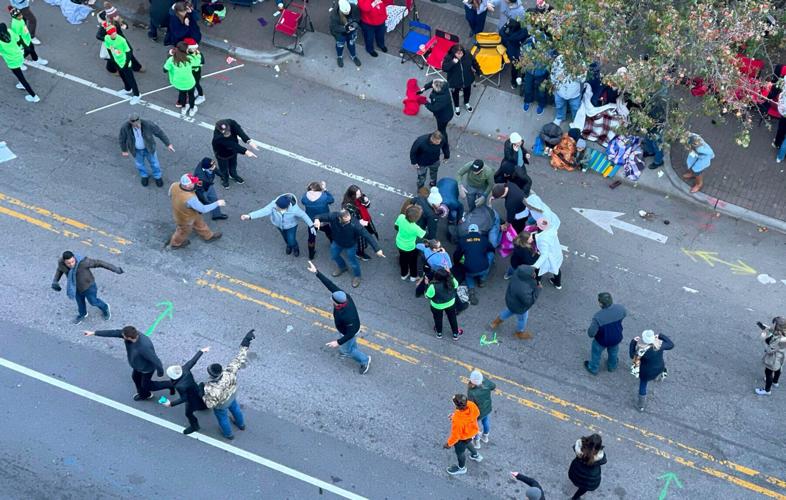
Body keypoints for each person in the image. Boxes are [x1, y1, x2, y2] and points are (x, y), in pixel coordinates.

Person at [307, 260, 370, 374]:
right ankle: (348, 348)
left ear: (337, 303)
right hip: (346, 329)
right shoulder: (344, 296)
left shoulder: (347, 315)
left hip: (350, 331)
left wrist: (338, 342)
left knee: (349, 348)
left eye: (332, 299)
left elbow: (350, 333)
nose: (330, 298)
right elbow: (330, 285)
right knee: (350, 344)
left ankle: (364, 360)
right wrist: (317, 272)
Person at [83, 326, 171, 400]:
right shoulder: (131, 334)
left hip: (146, 369)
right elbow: (113, 333)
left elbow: (156, 361)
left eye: (123, 336)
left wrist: (160, 372)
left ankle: (170, 384)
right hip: (137, 365)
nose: (121, 336)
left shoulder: (144, 347)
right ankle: (144, 395)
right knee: (135, 378)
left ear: (129, 337)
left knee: (147, 386)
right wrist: (94, 333)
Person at [203, 330, 255, 439]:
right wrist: (246, 341)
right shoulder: (229, 372)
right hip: (232, 395)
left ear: (211, 375)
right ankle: (241, 425)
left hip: (222, 404)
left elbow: (209, 404)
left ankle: (229, 434)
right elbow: (240, 358)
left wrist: (203, 394)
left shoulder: (210, 388)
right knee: (236, 409)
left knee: (223, 418)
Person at [313, 209, 384, 288]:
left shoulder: (355, 225)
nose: (349, 222)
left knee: (353, 262)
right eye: (346, 220)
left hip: (350, 245)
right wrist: (317, 220)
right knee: (334, 255)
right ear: (339, 218)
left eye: (349, 219)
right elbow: (319, 216)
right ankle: (342, 267)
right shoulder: (333, 216)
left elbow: (367, 235)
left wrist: (377, 249)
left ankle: (357, 276)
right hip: (337, 242)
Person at [52, 251, 123, 324]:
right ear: (64, 262)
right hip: (75, 286)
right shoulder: (61, 263)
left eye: (72, 262)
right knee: (80, 302)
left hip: (89, 287)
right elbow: (60, 270)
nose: (71, 264)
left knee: (93, 302)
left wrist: (115, 269)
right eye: (68, 263)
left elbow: (99, 263)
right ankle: (83, 314)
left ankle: (105, 307)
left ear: (74, 258)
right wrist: (55, 281)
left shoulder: (83, 262)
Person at [241, 194, 314, 257]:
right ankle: (289, 245)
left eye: (278, 208)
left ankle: (295, 247)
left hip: (291, 226)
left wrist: (311, 225)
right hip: (279, 225)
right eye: (276, 206)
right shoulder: (274, 205)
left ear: (286, 207)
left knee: (291, 239)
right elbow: (263, 211)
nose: (276, 208)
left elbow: (304, 215)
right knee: (285, 237)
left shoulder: (295, 209)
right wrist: (249, 216)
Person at [161, 346, 210, 434]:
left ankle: (195, 426)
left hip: (191, 398)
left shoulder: (180, 386)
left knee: (188, 413)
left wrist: (171, 404)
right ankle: (205, 406)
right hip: (196, 389)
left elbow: (184, 398)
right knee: (200, 399)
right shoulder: (185, 369)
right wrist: (201, 351)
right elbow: (192, 361)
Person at [167, 174, 224, 249]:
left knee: (200, 223)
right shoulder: (190, 198)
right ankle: (175, 243)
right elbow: (203, 209)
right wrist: (217, 203)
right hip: (185, 219)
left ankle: (208, 236)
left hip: (189, 213)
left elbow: (169, 194)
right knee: (182, 232)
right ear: (187, 186)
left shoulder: (174, 185)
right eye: (193, 182)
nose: (195, 183)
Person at [119, 113, 174, 187]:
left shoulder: (148, 124)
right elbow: (122, 139)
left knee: (155, 164)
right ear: (130, 122)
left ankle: (157, 176)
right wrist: (124, 150)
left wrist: (168, 144)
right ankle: (144, 176)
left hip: (149, 148)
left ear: (139, 119)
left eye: (137, 122)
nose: (136, 124)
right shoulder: (125, 127)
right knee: (140, 164)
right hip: (136, 150)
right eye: (134, 123)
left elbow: (159, 133)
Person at [524, 193, 563, 289]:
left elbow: (544, 254)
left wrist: (534, 266)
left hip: (548, 256)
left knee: (539, 271)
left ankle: (537, 283)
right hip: (556, 253)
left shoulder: (542, 239)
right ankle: (558, 284)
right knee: (556, 269)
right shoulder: (551, 231)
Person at [488, 265, 539, 339]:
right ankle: (519, 333)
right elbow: (529, 301)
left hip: (511, 301)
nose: (534, 274)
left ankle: (495, 322)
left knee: (509, 311)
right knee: (522, 319)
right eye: (533, 273)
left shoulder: (516, 276)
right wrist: (538, 290)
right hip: (520, 307)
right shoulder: (524, 288)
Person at [630, 329, 674, 411]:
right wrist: (660, 335)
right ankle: (659, 378)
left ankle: (641, 405)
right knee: (658, 371)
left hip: (646, 372)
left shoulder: (641, 351)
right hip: (659, 367)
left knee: (643, 385)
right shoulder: (660, 345)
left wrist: (633, 342)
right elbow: (671, 344)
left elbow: (632, 356)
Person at [585, 292, 626, 375]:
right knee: (613, 353)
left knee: (596, 353)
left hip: (602, 340)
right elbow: (624, 315)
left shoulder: (598, 317)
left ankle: (593, 368)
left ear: (601, 304)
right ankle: (612, 366)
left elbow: (591, 333)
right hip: (616, 338)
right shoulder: (620, 308)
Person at [454, 223, 494, 305]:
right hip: (483, 267)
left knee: (468, 276)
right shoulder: (484, 239)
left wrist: (457, 263)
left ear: (468, 231)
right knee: (490, 254)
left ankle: (471, 290)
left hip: (470, 269)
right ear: (478, 231)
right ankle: (482, 280)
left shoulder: (462, 240)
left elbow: (457, 254)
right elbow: (491, 248)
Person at [211, 119, 259, 188]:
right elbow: (233, 145)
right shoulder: (218, 138)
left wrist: (249, 141)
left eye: (228, 131)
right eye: (224, 132)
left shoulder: (231, 123)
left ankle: (233, 175)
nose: (227, 133)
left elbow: (239, 131)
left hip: (233, 152)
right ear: (220, 131)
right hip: (222, 154)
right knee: (224, 169)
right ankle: (225, 180)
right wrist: (246, 151)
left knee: (233, 165)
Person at [444, 393, 483, 476]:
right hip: (472, 432)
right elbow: (477, 413)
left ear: (457, 406)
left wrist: (448, 444)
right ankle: (475, 455)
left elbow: (455, 436)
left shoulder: (458, 421)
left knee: (460, 453)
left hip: (462, 438)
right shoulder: (471, 405)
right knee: (468, 443)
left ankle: (461, 468)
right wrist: (455, 415)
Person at [0, 22, 38, 101]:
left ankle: (34, 96)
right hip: (20, 55)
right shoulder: (10, 31)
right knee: (20, 75)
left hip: (12, 62)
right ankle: (21, 84)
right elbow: (19, 39)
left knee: (21, 78)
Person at [104, 25, 141, 105]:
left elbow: (128, 52)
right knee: (123, 76)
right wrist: (113, 59)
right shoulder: (107, 38)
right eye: (112, 33)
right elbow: (109, 48)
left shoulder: (121, 40)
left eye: (115, 32)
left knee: (131, 79)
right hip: (117, 62)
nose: (114, 34)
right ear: (109, 35)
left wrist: (126, 63)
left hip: (125, 63)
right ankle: (128, 89)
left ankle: (137, 95)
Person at [342, 185, 379, 261]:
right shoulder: (347, 206)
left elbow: (367, 206)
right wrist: (359, 222)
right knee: (360, 240)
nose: (360, 195)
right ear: (352, 195)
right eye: (358, 194)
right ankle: (359, 253)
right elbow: (347, 220)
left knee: (367, 234)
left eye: (360, 193)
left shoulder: (360, 196)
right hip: (358, 226)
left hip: (366, 220)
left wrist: (366, 201)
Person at [424, 268, 463, 340]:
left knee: (438, 319)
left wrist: (426, 285)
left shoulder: (433, 286)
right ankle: (455, 334)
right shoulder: (451, 281)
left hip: (437, 306)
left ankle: (439, 333)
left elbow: (427, 296)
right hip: (450, 303)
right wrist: (450, 274)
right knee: (452, 318)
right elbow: (456, 285)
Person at [419, 79, 454, 158]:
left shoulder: (442, 99)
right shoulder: (442, 85)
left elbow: (434, 108)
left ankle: (445, 147)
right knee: (441, 129)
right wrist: (424, 89)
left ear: (437, 89)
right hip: (446, 113)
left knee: (442, 131)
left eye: (433, 87)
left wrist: (425, 102)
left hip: (443, 117)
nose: (432, 87)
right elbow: (432, 82)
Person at [442, 44, 480, 115]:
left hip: (467, 78)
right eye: (458, 54)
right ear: (454, 53)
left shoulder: (468, 55)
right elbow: (444, 68)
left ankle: (466, 102)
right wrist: (452, 62)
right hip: (454, 81)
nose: (460, 55)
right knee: (455, 94)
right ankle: (457, 106)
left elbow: (474, 63)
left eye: (461, 53)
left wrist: (478, 71)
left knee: (467, 92)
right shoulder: (448, 57)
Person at [163, 41, 197, 117]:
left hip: (178, 83)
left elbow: (165, 70)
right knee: (191, 95)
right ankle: (192, 109)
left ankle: (184, 108)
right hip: (189, 82)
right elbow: (197, 63)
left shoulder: (171, 59)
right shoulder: (189, 59)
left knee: (182, 94)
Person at [302, 181, 335, 259]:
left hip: (311, 221)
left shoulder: (305, 197)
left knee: (311, 237)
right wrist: (325, 189)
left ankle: (311, 254)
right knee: (328, 231)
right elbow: (332, 200)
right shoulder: (324, 197)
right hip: (323, 220)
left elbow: (303, 201)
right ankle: (333, 242)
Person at [568, 434, 607, 499]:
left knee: (577, 481)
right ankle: (575, 498)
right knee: (583, 489)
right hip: (588, 480)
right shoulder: (599, 457)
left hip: (576, 472)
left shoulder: (580, 449)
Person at [755, 317, 786, 395]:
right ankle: (775, 382)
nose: (772, 325)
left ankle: (767, 390)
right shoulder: (783, 333)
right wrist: (765, 327)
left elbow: (769, 350)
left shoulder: (778, 340)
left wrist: (763, 338)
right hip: (781, 357)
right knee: (778, 369)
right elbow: (774, 331)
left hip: (773, 359)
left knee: (768, 372)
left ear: (777, 327)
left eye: (773, 324)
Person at [395, 205, 426, 281]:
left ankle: (404, 274)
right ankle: (413, 276)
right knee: (412, 262)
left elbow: (396, 226)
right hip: (410, 247)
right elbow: (423, 234)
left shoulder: (401, 217)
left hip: (399, 243)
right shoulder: (415, 228)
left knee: (402, 259)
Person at [551, 55, 583, 125]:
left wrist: (576, 73)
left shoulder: (580, 61)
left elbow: (583, 79)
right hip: (560, 90)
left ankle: (576, 121)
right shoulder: (559, 59)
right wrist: (553, 83)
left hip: (574, 92)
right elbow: (553, 71)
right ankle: (560, 117)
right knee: (559, 105)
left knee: (575, 108)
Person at [467, 369, 495, 447]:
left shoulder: (472, 391)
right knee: (485, 421)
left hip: (477, 412)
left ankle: (477, 442)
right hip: (487, 408)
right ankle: (485, 437)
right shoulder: (486, 382)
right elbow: (493, 386)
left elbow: (470, 405)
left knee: (475, 426)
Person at [330, 0, 361, 68]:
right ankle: (339, 56)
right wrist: (345, 29)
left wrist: (354, 25)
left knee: (351, 43)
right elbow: (334, 27)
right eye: (345, 13)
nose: (348, 13)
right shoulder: (334, 14)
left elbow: (357, 18)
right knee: (340, 45)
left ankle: (353, 56)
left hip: (351, 32)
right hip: (340, 33)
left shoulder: (354, 8)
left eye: (349, 12)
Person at [499, 17, 527, 89]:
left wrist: (506, 25)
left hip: (514, 53)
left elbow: (501, 32)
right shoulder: (524, 31)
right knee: (524, 67)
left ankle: (513, 82)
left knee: (514, 69)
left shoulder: (510, 37)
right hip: (523, 52)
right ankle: (523, 79)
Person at [184, 37, 205, 105]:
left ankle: (201, 96)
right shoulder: (186, 53)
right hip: (190, 72)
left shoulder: (198, 54)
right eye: (193, 48)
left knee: (197, 84)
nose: (195, 49)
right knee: (193, 83)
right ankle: (195, 90)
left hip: (195, 72)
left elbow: (201, 63)